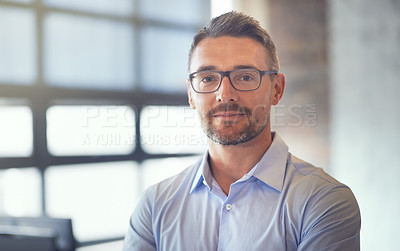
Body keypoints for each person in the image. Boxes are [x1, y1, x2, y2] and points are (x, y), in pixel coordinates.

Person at [123, 11, 361, 251]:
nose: (225, 94)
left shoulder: (324, 202)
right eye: (207, 78)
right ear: (191, 95)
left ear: (276, 89)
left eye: (245, 77)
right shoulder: (154, 206)